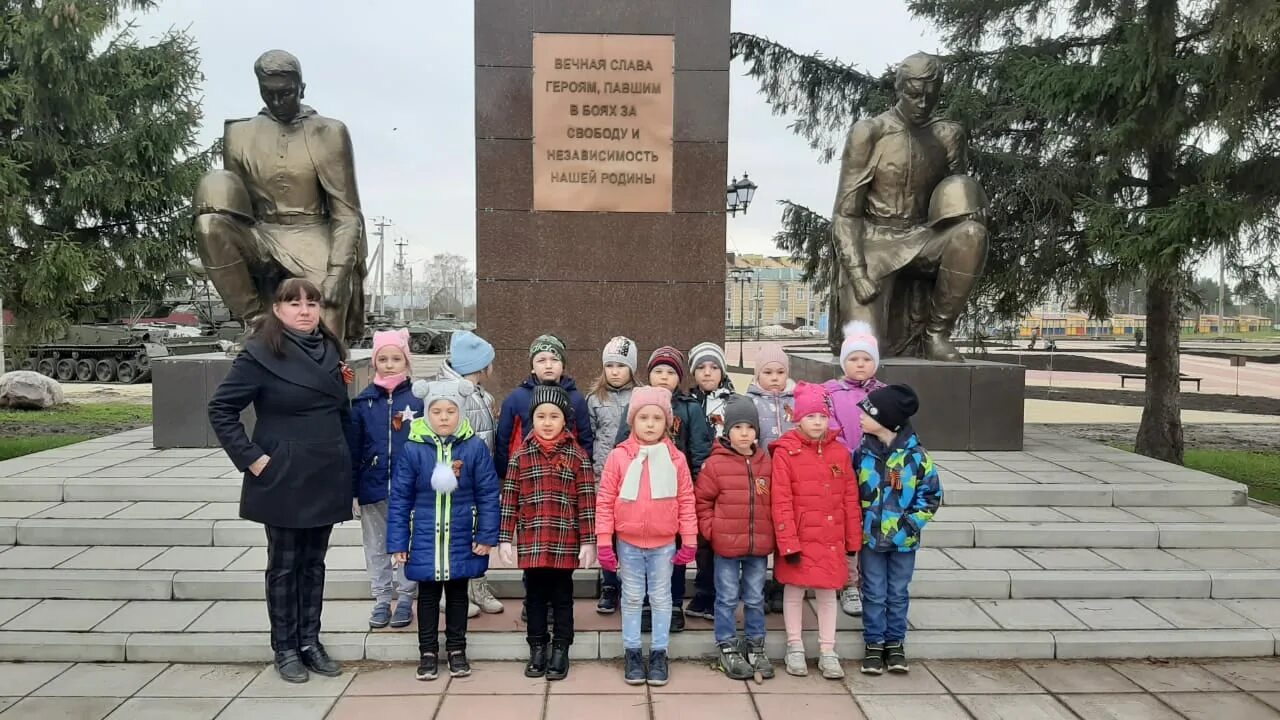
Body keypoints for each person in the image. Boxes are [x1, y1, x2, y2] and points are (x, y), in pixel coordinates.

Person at [208, 278, 353, 683]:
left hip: (326, 469)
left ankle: (311, 641)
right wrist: (252, 460)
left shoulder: (331, 349)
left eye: (312, 303)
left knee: (314, 565)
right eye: (294, 303)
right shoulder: (259, 353)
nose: (305, 310)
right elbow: (221, 409)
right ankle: (285, 647)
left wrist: (352, 467)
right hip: (284, 473)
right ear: (277, 309)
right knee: (285, 566)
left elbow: (344, 415)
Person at [192, 49, 366, 340]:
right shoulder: (239, 134)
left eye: (285, 93)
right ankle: (257, 323)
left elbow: (347, 213)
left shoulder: (329, 132)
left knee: (327, 331)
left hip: (314, 233)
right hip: (261, 234)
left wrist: (338, 272)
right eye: (268, 93)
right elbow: (238, 207)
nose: (276, 101)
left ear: (301, 88)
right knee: (209, 223)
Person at [386, 379, 501, 682]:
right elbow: (400, 497)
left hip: (462, 534)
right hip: (423, 535)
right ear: (427, 413)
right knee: (426, 596)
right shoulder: (413, 449)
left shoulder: (474, 447)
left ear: (460, 413)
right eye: (437, 411)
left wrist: (487, 535)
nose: (444, 417)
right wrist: (399, 540)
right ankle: (426, 651)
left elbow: (488, 492)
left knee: (458, 595)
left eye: (451, 411)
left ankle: (456, 649)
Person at [596, 387, 697, 686]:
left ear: (667, 422)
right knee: (631, 597)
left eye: (657, 418)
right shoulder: (618, 457)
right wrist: (604, 540)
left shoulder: (675, 458)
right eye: (643, 417)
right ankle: (631, 651)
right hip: (628, 542)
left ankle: (658, 652)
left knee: (662, 598)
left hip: (663, 543)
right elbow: (605, 500)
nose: (650, 424)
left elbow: (686, 500)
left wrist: (689, 539)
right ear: (632, 421)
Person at [499, 385, 597, 681]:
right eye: (541, 415)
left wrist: (589, 540)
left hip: (563, 540)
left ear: (564, 420)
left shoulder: (577, 456)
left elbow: (587, 501)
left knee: (563, 597)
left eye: (554, 416)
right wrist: (505, 537)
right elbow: (510, 499)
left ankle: (561, 648)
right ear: (533, 418)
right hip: (532, 539)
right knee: (535, 597)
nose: (547, 421)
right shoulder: (520, 456)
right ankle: (538, 647)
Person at [613, 346, 714, 632]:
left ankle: (672, 605)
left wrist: (695, 492)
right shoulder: (637, 405)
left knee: (674, 555)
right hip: (639, 498)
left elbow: (700, 451)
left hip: (672, 497)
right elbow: (622, 443)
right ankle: (643, 604)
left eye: (670, 372)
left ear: (679, 378)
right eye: (658, 371)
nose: (664, 377)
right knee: (638, 555)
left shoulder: (690, 407)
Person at [771, 382, 862, 680]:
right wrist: (787, 541)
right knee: (794, 592)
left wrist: (853, 539)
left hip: (831, 537)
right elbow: (780, 499)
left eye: (822, 417)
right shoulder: (786, 452)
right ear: (798, 418)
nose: (817, 422)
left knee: (827, 594)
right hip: (799, 537)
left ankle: (827, 649)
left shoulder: (839, 453)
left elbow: (850, 498)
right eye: (810, 417)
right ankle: (794, 645)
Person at [855, 384, 941, 676]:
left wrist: (909, 526)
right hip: (870, 539)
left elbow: (930, 497)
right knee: (874, 591)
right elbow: (851, 494)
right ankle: (874, 643)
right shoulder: (861, 454)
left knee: (897, 591)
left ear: (887, 420)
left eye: (867, 412)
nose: (860, 417)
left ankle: (895, 643)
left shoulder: (916, 458)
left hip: (904, 542)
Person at [695, 395, 775, 681]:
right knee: (727, 597)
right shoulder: (715, 465)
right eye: (738, 427)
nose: (744, 433)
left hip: (758, 547)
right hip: (726, 546)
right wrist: (712, 531)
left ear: (757, 431)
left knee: (754, 598)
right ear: (726, 431)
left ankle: (755, 644)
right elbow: (702, 502)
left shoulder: (767, 464)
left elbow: (775, 502)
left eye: (749, 427)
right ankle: (726, 644)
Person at [350, 329, 422, 630]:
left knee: (408, 542)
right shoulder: (362, 403)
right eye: (383, 359)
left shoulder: (419, 399)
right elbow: (353, 449)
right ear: (374, 363)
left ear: (406, 361)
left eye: (396, 358)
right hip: (373, 486)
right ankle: (381, 599)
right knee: (376, 545)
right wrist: (353, 489)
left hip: (410, 489)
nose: (389, 364)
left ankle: (406, 597)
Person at [433, 329, 503, 615]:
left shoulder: (480, 395)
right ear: (480, 365)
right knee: (454, 536)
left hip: (479, 480)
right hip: (457, 480)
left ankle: (477, 586)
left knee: (478, 535)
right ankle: (450, 592)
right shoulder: (453, 395)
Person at [823, 321, 887, 618]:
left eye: (866, 359)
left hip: (876, 473)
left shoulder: (885, 394)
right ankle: (848, 582)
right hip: (842, 470)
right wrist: (847, 456)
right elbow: (829, 426)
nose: (860, 364)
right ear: (843, 362)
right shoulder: (831, 393)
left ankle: (868, 580)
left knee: (868, 525)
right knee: (846, 526)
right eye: (853, 359)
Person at [587, 336, 640, 614]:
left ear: (632, 368)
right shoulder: (594, 399)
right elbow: (590, 437)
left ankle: (630, 581)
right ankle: (608, 583)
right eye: (609, 365)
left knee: (629, 533)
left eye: (621, 365)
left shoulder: (642, 396)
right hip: (603, 478)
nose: (615, 371)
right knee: (606, 532)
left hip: (636, 478)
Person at [685, 342, 733, 621]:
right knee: (702, 538)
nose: (707, 372)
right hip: (697, 478)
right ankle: (703, 591)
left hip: (726, 478)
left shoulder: (734, 402)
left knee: (723, 537)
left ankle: (720, 593)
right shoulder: (688, 402)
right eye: (701, 367)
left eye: (713, 367)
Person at [747, 345, 796, 448]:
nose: (774, 378)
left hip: (791, 460)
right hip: (763, 461)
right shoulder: (749, 402)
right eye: (768, 372)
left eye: (780, 372)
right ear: (758, 374)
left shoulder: (797, 400)